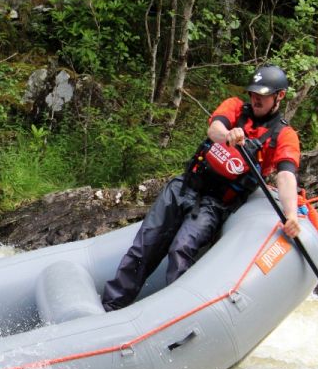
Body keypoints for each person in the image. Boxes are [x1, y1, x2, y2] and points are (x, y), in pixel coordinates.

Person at [101, 64, 302, 312]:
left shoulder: (284, 135)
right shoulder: (235, 107)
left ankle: (175, 315)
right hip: (183, 187)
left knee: (181, 250)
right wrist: (228, 134)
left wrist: (291, 214)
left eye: (263, 94)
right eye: (253, 93)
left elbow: (286, 175)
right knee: (145, 246)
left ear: (279, 96)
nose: (256, 98)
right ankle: (111, 306)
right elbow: (214, 129)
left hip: (213, 204)